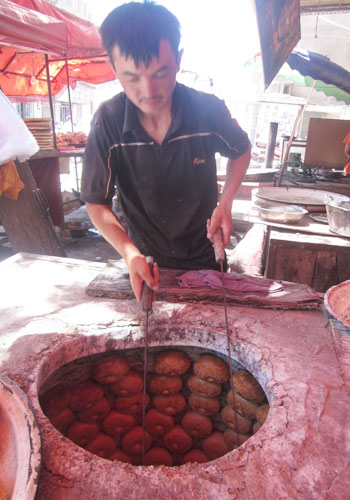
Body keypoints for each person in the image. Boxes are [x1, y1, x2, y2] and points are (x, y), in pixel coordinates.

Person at [80, 1, 251, 302]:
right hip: (145, 262)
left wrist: (225, 203)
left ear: (179, 59)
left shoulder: (206, 110)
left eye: (161, 73)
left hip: (204, 258)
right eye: (131, 77)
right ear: (113, 68)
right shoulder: (108, 121)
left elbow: (241, 149)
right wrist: (129, 253)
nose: (148, 91)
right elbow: (96, 203)